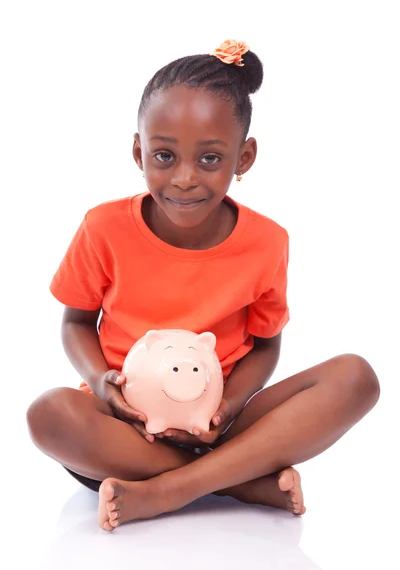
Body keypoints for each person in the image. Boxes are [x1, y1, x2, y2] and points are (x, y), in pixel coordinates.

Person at [26, 39, 380, 532]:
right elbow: (76, 323)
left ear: (245, 157)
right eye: (165, 156)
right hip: (125, 435)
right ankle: (238, 484)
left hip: (222, 429)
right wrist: (104, 388)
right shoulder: (103, 227)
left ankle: (170, 491)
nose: (185, 178)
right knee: (47, 414)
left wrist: (230, 404)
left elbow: (266, 345)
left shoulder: (266, 241)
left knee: (356, 378)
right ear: (138, 151)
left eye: (210, 159)